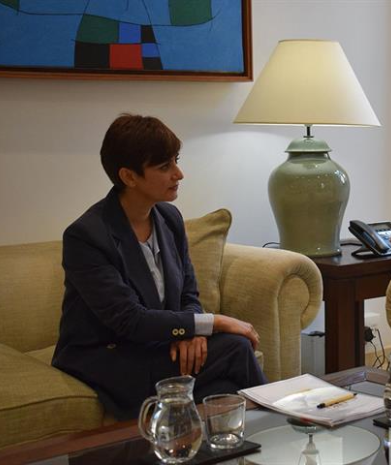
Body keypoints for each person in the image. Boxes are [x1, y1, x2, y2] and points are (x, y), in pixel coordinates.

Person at [52, 114, 267, 420]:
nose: (179, 174)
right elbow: (130, 321)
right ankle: (276, 433)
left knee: (226, 382)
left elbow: (189, 293)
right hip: (108, 355)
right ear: (129, 176)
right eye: (165, 166)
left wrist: (191, 333)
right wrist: (213, 322)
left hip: (156, 344)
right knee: (234, 348)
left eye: (176, 161)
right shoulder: (86, 236)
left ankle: (200, 447)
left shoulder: (169, 219)